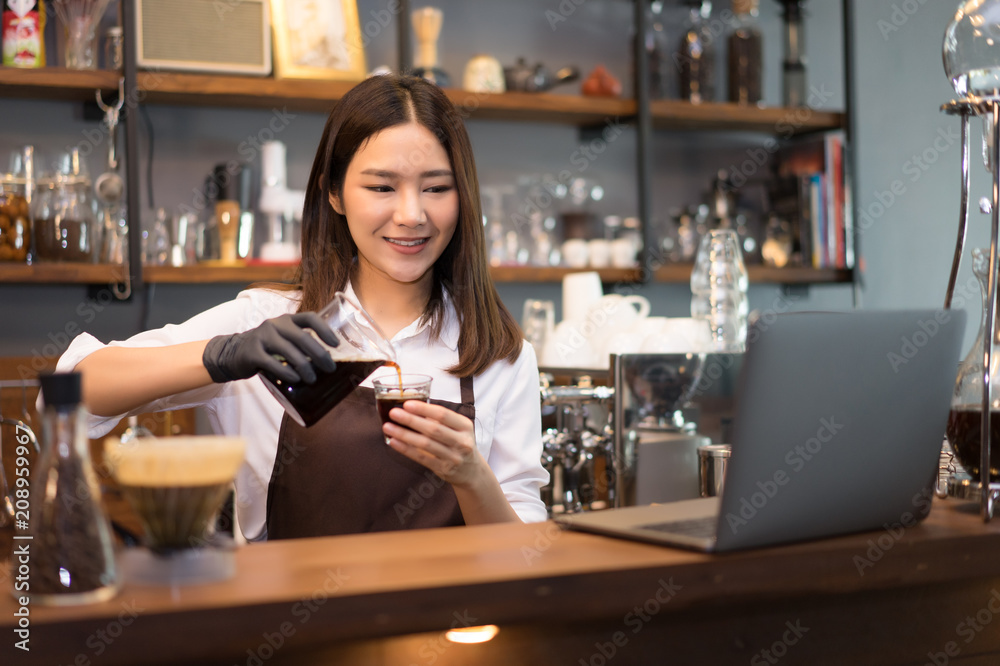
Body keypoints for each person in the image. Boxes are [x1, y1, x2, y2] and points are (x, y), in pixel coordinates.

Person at [56, 75, 548, 541]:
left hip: (447, 625)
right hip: (291, 625)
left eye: (436, 188)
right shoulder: (264, 322)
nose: (411, 214)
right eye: (381, 187)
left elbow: (524, 555)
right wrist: (224, 355)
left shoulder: (500, 355)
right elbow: (72, 392)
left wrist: (472, 477)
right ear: (333, 194)